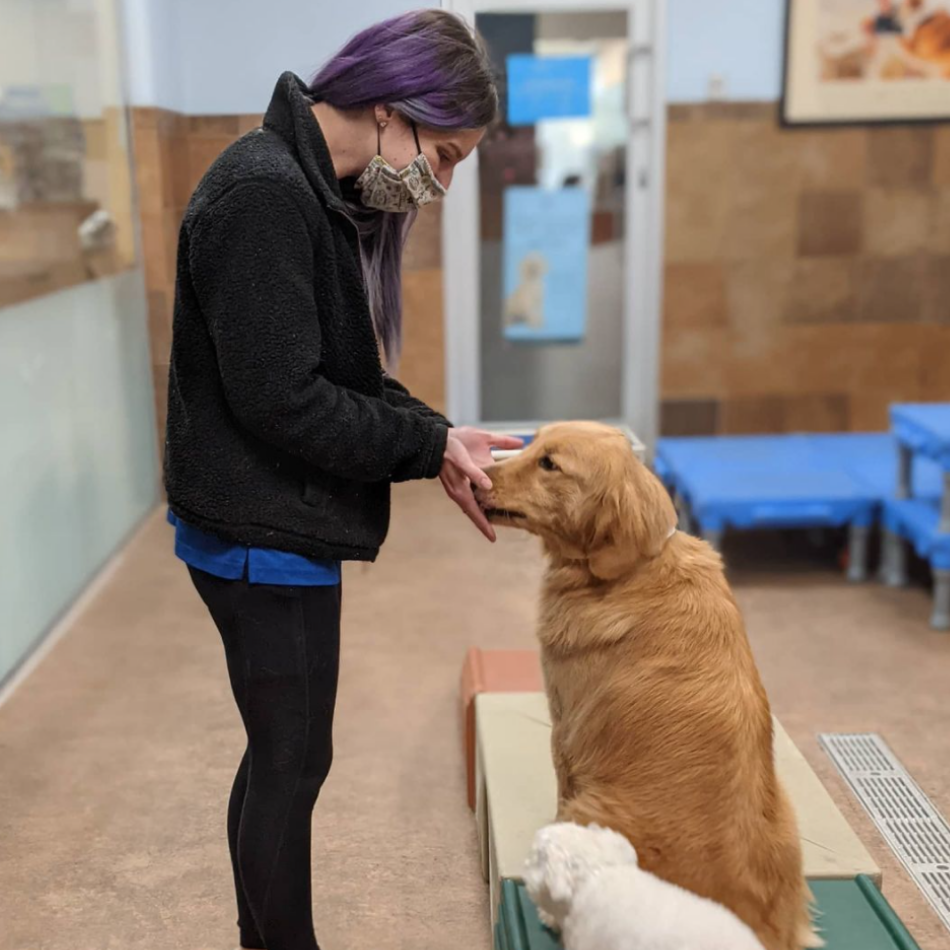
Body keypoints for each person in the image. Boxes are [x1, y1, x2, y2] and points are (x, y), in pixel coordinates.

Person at [162, 11, 520, 950]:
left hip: (277, 519)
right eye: (442, 157)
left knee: (286, 755)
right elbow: (288, 403)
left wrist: (437, 435)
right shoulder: (264, 195)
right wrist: (424, 449)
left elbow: (341, 379)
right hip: (257, 529)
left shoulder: (307, 190)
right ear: (390, 110)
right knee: (290, 758)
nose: (436, 184)